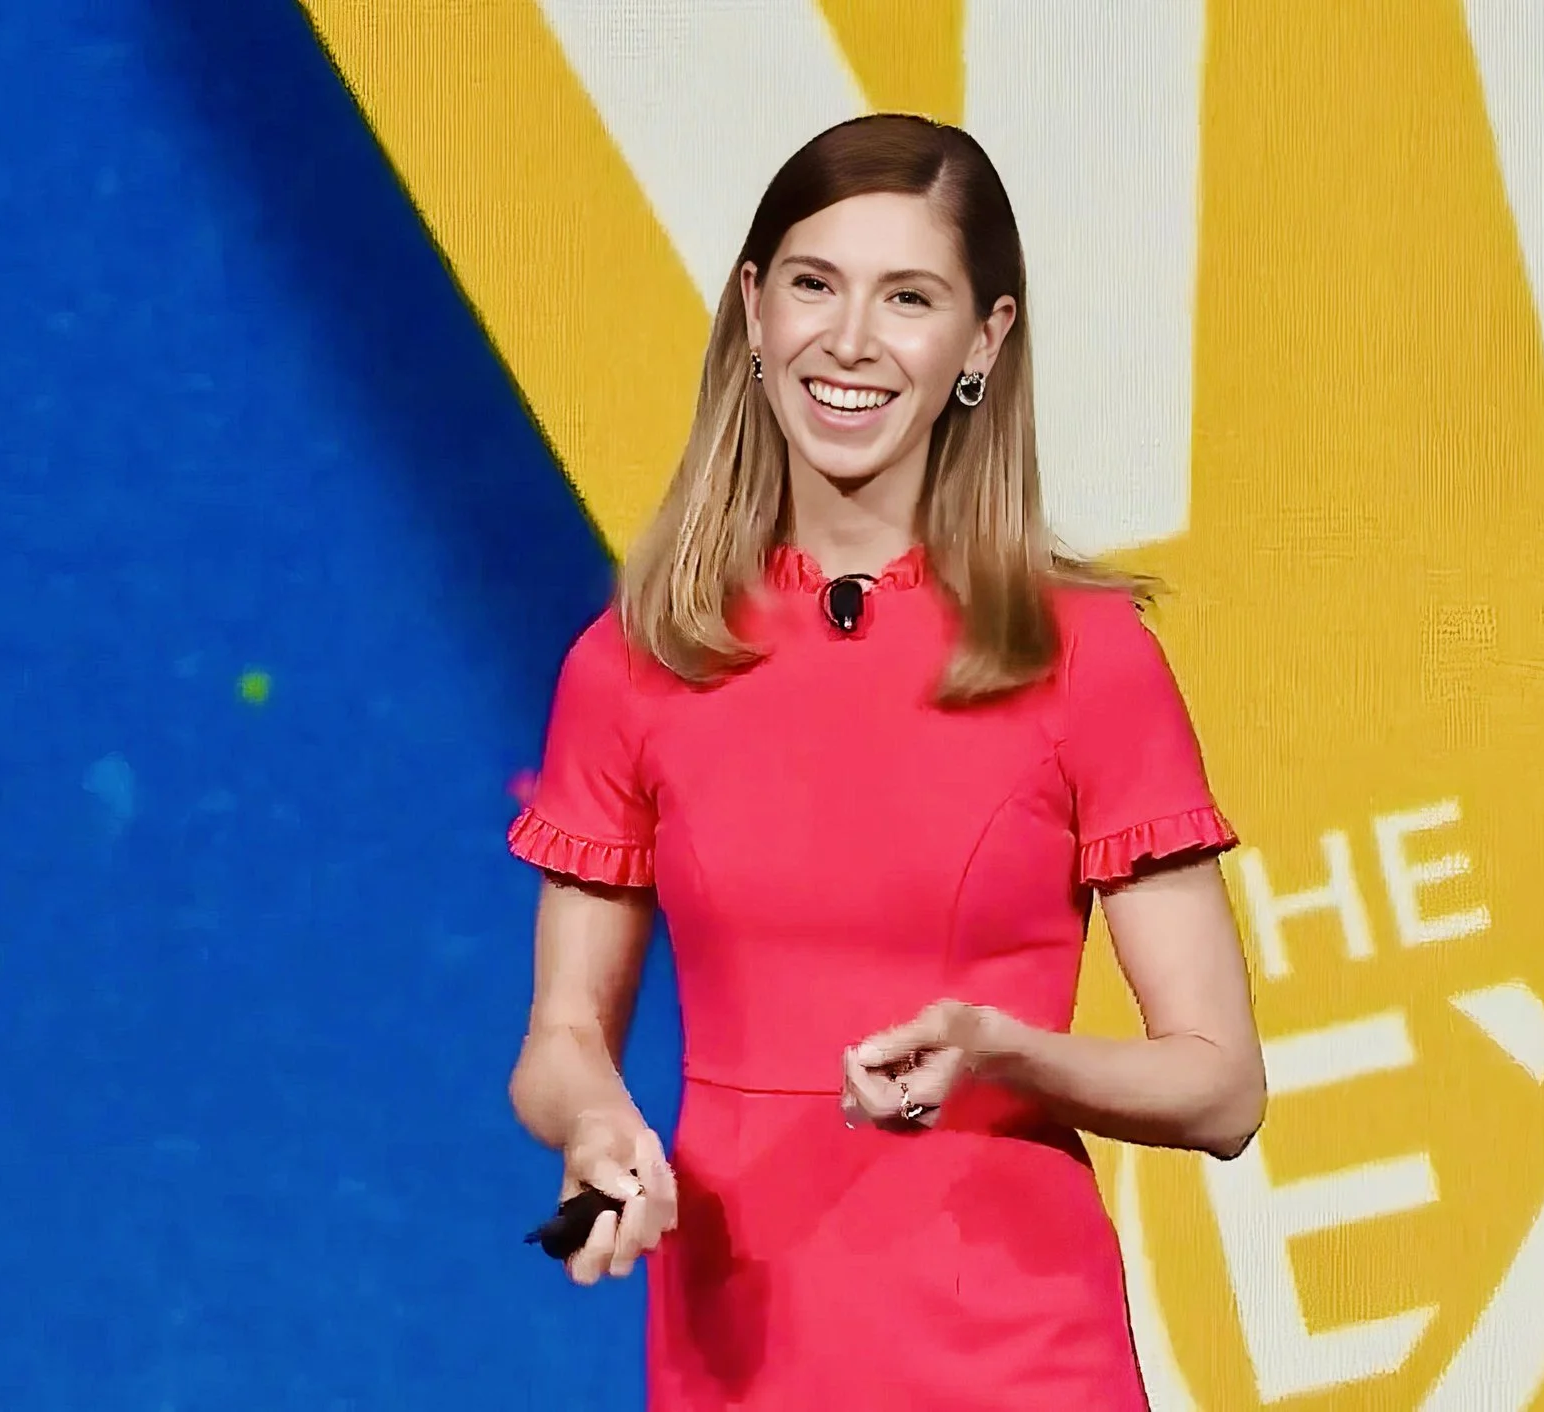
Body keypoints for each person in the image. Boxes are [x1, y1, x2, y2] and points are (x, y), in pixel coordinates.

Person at [503, 112, 1266, 1410]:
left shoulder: (1085, 658)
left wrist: (1002, 1052)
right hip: (740, 1347)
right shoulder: (634, 663)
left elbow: (1221, 1085)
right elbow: (562, 1037)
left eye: (907, 297)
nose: (849, 340)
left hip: (1015, 1350)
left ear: (983, 342)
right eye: (814, 284)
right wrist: (595, 1126)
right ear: (753, 310)